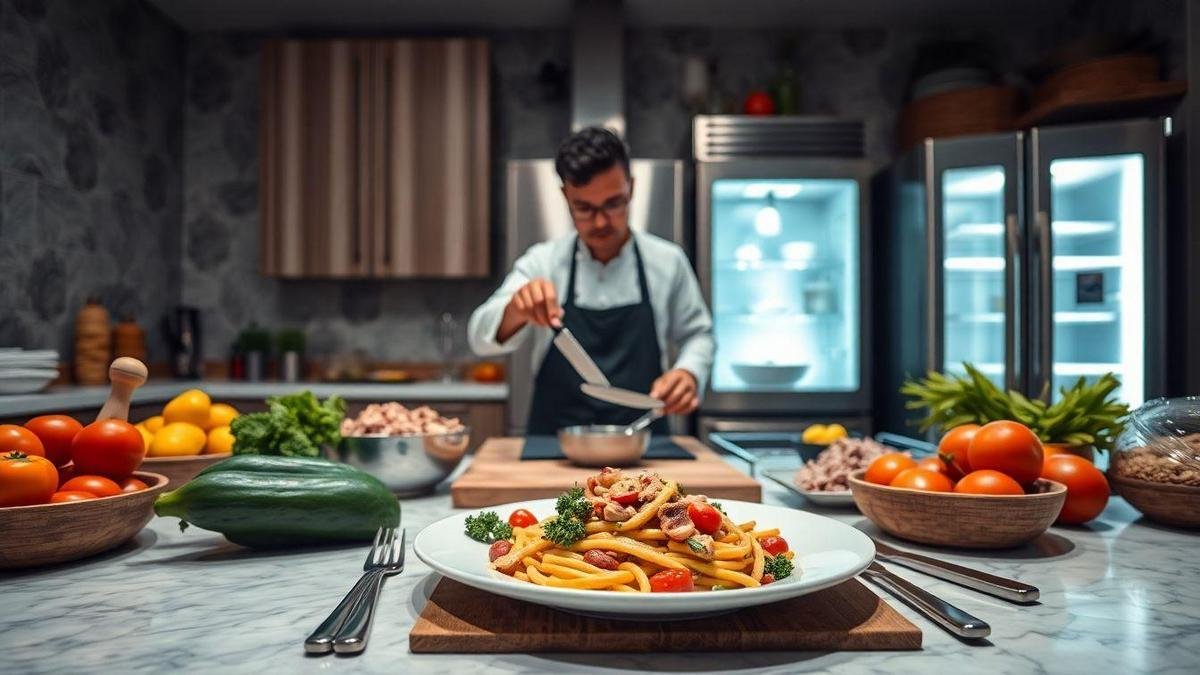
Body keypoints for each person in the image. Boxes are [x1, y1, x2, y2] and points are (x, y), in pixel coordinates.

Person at [468, 127, 715, 435]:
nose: (600, 222)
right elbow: (479, 337)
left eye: (613, 204)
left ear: (632, 189)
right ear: (565, 197)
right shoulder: (542, 262)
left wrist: (688, 372)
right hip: (555, 445)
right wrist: (517, 309)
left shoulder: (668, 261)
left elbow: (699, 335)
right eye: (584, 208)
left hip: (644, 445)